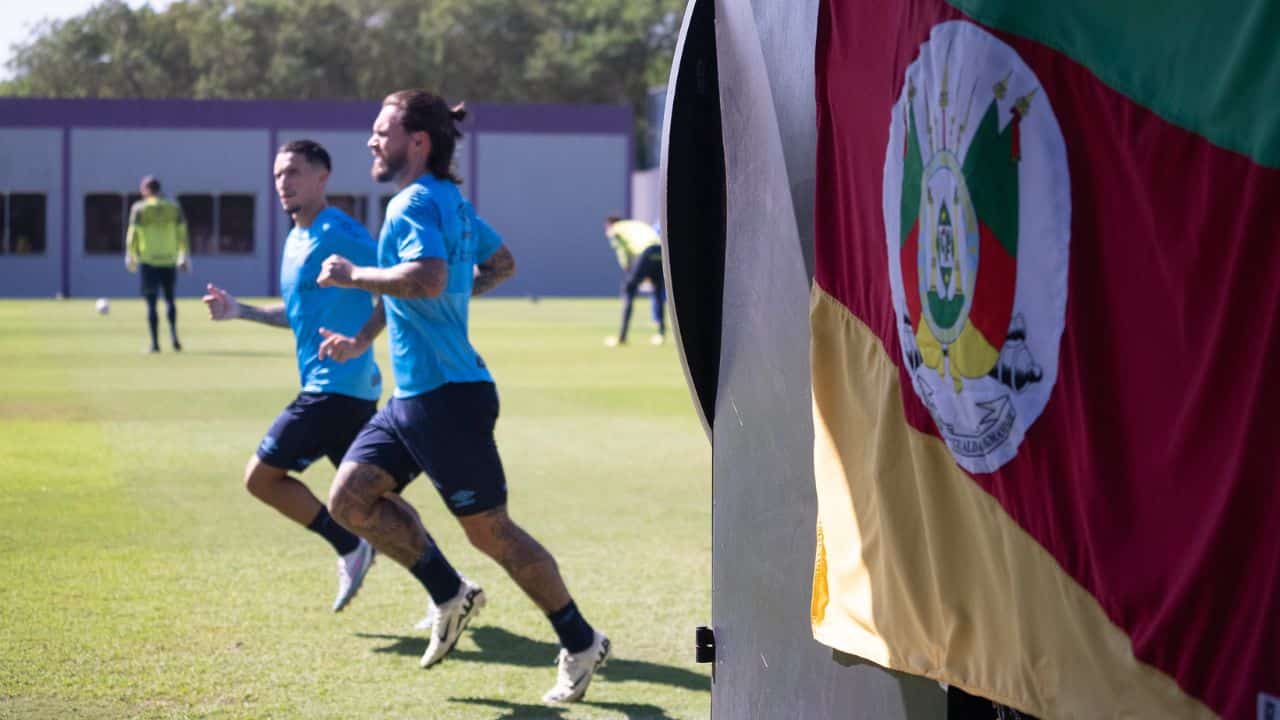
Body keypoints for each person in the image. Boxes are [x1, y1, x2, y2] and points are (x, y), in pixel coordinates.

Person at [315, 89, 611, 704]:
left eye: (381, 131)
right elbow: (500, 265)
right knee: (349, 499)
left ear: (416, 142)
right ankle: (451, 594)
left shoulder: (411, 202)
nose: (372, 141)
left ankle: (581, 642)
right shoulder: (452, 202)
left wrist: (353, 275)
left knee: (492, 532)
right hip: (414, 399)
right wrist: (362, 338)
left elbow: (425, 277)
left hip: (446, 400)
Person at [201, 140, 380, 612]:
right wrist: (240, 311)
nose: (284, 182)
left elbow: (398, 285)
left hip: (336, 387)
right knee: (377, 507)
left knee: (261, 478)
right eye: (279, 174)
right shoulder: (295, 239)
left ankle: (349, 546)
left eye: (295, 172)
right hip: (338, 389)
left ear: (323, 178)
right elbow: (299, 316)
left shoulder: (341, 230)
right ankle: (448, 586)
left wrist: (360, 341)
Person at [126, 175, 190, 353]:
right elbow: (182, 232)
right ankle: (175, 339)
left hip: (149, 261)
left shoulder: (139, 208)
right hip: (169, 260)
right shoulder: (173, 207)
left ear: (145, 190)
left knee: (152, 303)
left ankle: (155, 344)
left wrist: (130, 256)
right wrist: (183, 255)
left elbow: (132, 234)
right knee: (170, 300)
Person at [603, 215, 666, 347]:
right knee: (658, 291)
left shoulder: (615, 229)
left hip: (646, 252)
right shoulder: (633, 224)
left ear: (610, 224)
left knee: (628, 289)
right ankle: (660, 334)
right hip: (660, 251)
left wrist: (627, 267)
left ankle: (622, 337)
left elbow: (621, 251)